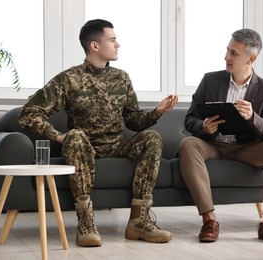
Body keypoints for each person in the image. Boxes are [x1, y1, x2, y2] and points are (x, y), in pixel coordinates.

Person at [18, 19, 178, 247]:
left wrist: (157, 112)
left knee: (152, 138)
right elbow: (29, 113)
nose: (118, 44)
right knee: (74, 135)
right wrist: (58, 136)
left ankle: (139, 222)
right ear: (94, 45)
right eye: (112, 40)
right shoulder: (69, 79)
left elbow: (133, 120)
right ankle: (86, 224)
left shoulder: (121, 78)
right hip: (84, 148)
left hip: (116, 145)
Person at [178, 28, 263, 244]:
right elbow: (189, 119)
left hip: (247, 149)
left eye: (234, 53)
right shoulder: (210, 81)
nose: (227, 57)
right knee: (188, 144)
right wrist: (203, 126)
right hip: (213, 145)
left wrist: (253, 118)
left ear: (251, 58)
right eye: (227, 51)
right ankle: (209, 220)